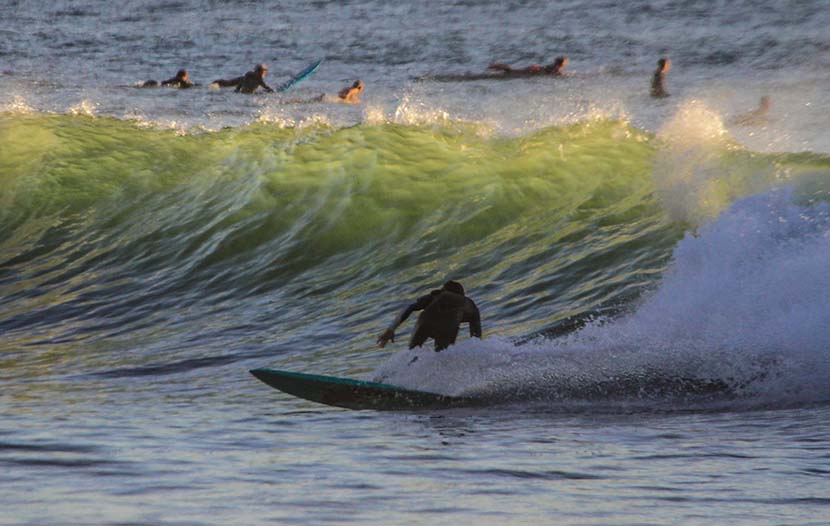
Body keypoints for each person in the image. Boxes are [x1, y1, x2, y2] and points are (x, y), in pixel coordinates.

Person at [377, 280, 482, 352]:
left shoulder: (436, 295)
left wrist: (391, 329)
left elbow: (410, 307)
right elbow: (476, 341)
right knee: (442, 357)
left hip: (427, 318)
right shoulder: (470, 304)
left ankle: (389, 379)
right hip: (449, 323)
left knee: (411, 354)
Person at [487, 56, 569, 77]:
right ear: (561, 64)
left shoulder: (554, 66)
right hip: (536, 70)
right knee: (514, 72)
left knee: (515, 71)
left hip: (536, 68)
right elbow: (555, 73)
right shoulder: (556, 68)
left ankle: (500, 68)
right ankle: (503, 68)